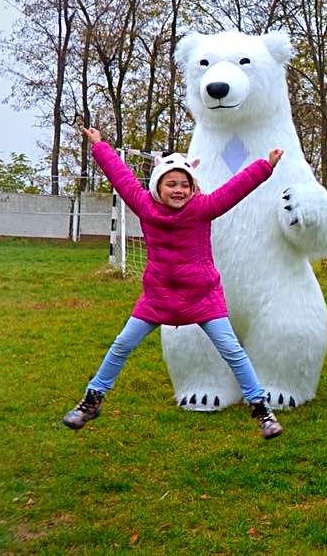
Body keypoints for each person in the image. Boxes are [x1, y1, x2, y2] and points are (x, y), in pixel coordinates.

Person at [61, 127, 286, 439]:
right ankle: (92, 400)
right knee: (122, 345)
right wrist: (100, 146)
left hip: (202, 296)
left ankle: (261, 408)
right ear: (158, 186)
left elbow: (234, 190)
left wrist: (265, 165)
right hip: (158, 298)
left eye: (184, 184)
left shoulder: (203, 208)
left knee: (232, 350)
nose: (178, 190)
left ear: (193, 188)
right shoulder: (144, 206)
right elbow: (120, 176)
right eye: (171, 184)